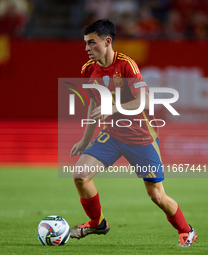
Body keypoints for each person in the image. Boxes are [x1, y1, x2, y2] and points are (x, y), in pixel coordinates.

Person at [69, 19, 197, 247]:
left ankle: (187, 231)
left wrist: (113, 108)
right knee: (80, 175)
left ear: (107, 42)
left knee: (157, 195)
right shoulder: (88, 70)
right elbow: (92, 104)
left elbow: (144, 100)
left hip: (140, 138)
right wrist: (85, 139)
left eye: (92, 43)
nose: (87, 48)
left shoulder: (126, 65)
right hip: (111, 136)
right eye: (85, 44)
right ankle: (97, 222)